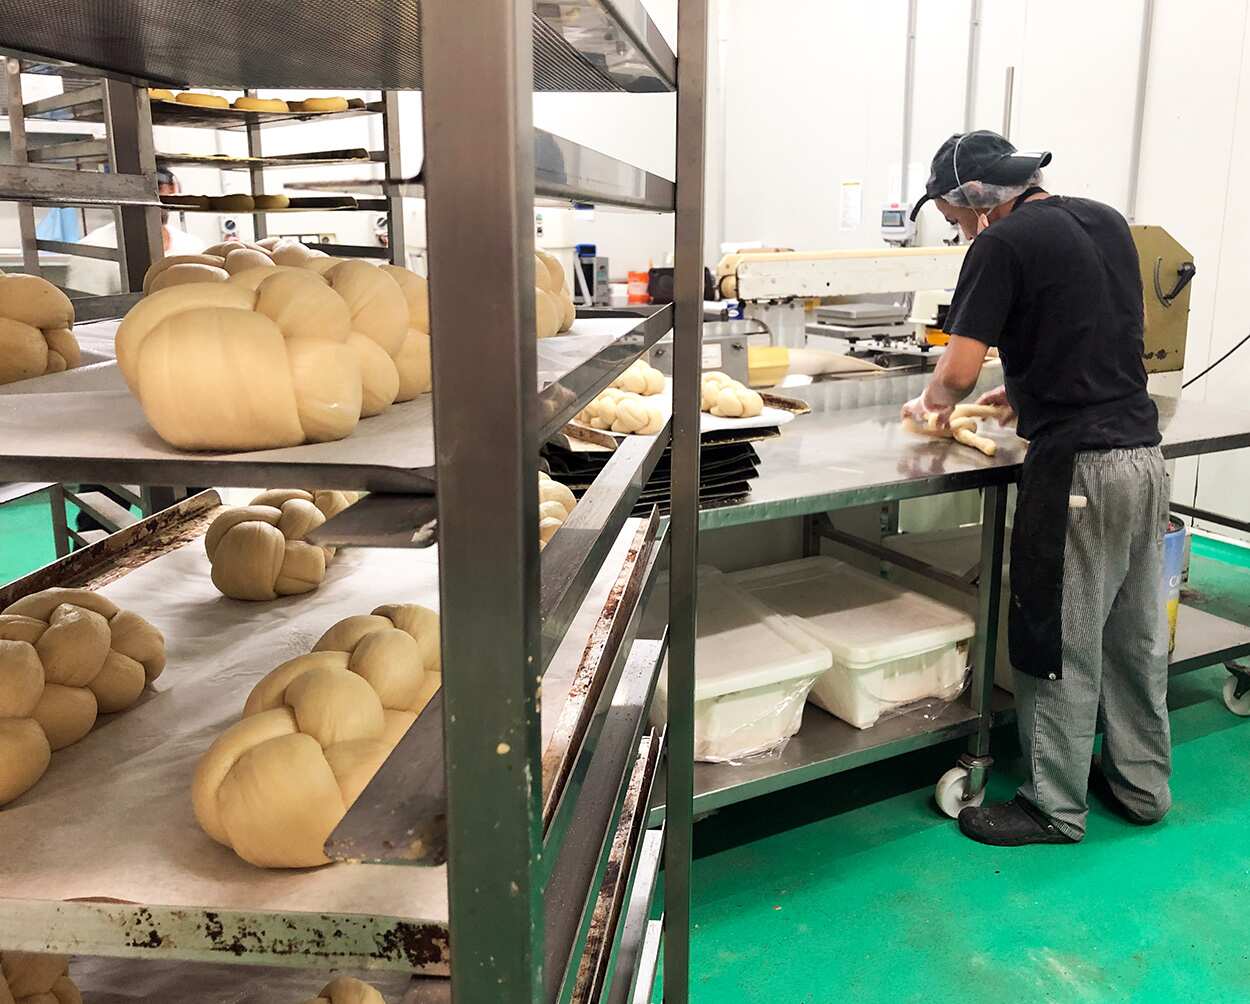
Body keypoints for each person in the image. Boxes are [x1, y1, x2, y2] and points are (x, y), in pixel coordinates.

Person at [903, 130, 1170, 846]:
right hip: (1143, 459)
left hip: (1079, 469)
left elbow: (955, 372)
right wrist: (1024, 392)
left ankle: (1052, 807)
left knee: (1059, 634)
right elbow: (1094, 330)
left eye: (955, 217)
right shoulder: (1106, 220)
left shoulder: (1001, 244)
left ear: (975, 197)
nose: (959, 229)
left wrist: (932, 404)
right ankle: (1143, 788)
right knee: (1134, 634)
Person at [65, 166, 205, 295]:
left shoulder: (193, 246)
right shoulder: (93, 250)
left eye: (159, 188)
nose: (152, 198)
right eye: (156, 186)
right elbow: (91, 314)